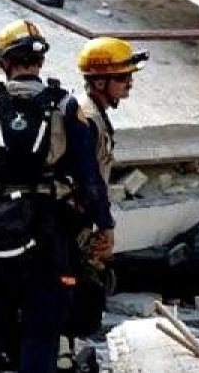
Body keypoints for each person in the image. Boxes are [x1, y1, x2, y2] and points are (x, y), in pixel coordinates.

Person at [0, 20, 114, 373]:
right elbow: (89, 175)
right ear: (39, 62)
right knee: (42, 331)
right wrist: (104, 224)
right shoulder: (65, 106)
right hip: (50, 235)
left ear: (4, 62)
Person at [60, 37, 147, 367]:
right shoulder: (87, 119)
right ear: (99, 80)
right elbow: (88, 179)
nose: (129, 85)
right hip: (72, 223)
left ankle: (65, 351)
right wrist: (102, 224)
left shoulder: (93, 115)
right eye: (123, 78)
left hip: (79, 220)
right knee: (73, 293)